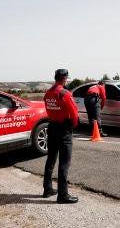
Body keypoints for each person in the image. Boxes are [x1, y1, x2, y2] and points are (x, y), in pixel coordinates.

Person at [42, 69, 79, 204]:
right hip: (64, 129)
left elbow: (48, 109)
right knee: (64, 163)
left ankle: (47, 189)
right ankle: (63, 195)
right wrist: (73, 125)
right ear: (64, 79)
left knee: (51, 160)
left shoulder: (47, 93)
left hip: (52, 127)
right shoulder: (65, 93)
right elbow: (74, 114)